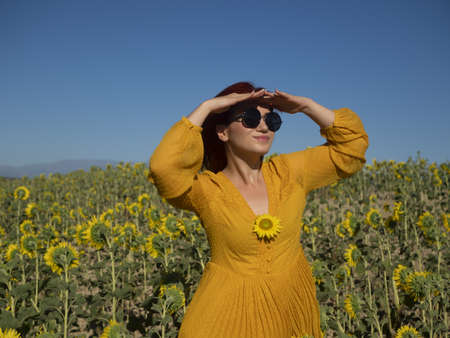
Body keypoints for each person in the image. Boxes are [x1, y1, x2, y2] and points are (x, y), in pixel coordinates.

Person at [148, 81, 369, 337]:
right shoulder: (207, 190)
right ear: (223, 132)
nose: (263, 126)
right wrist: (208, 107)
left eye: (272, 120)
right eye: (250, 118)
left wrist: (306, 106)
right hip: (228, 319)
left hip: (289, 312)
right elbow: (163, 169)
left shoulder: (288, 172)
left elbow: (352, 147)